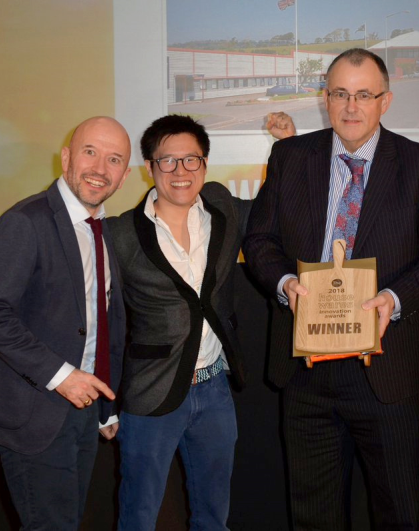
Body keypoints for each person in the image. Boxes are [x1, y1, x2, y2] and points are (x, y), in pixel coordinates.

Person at [243, 48, 419, 529]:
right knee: (313, 515)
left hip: (385, 369)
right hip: (305, 372)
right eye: (341, 93)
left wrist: (394, 299)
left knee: (398, 512)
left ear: (385, 100)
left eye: (364, 95)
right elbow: (259, 240)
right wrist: (285, 283)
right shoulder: (290, 156)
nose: (351, 106)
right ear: (326, 98)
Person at [0, 116, 131, 530]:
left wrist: (105, 409)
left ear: (125, 175)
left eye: (114, 160)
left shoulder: (102, 229)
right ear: (66, 157)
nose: (99, 168)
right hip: (34, 411)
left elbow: (101, 324)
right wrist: (62, 377)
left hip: (82, 408)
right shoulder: (26, 222)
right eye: (90, 152)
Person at [107, 115, 251, 531]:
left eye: (192, 160)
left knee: (213, 517)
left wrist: (287, 145)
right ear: (148, 167)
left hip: (216, 392)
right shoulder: (120, 235)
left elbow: (280, 206)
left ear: (205, 165)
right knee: (138, 516)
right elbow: (103, 317)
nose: (181, 172)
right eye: (168, 161)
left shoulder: (223, 207)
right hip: (151, 394)